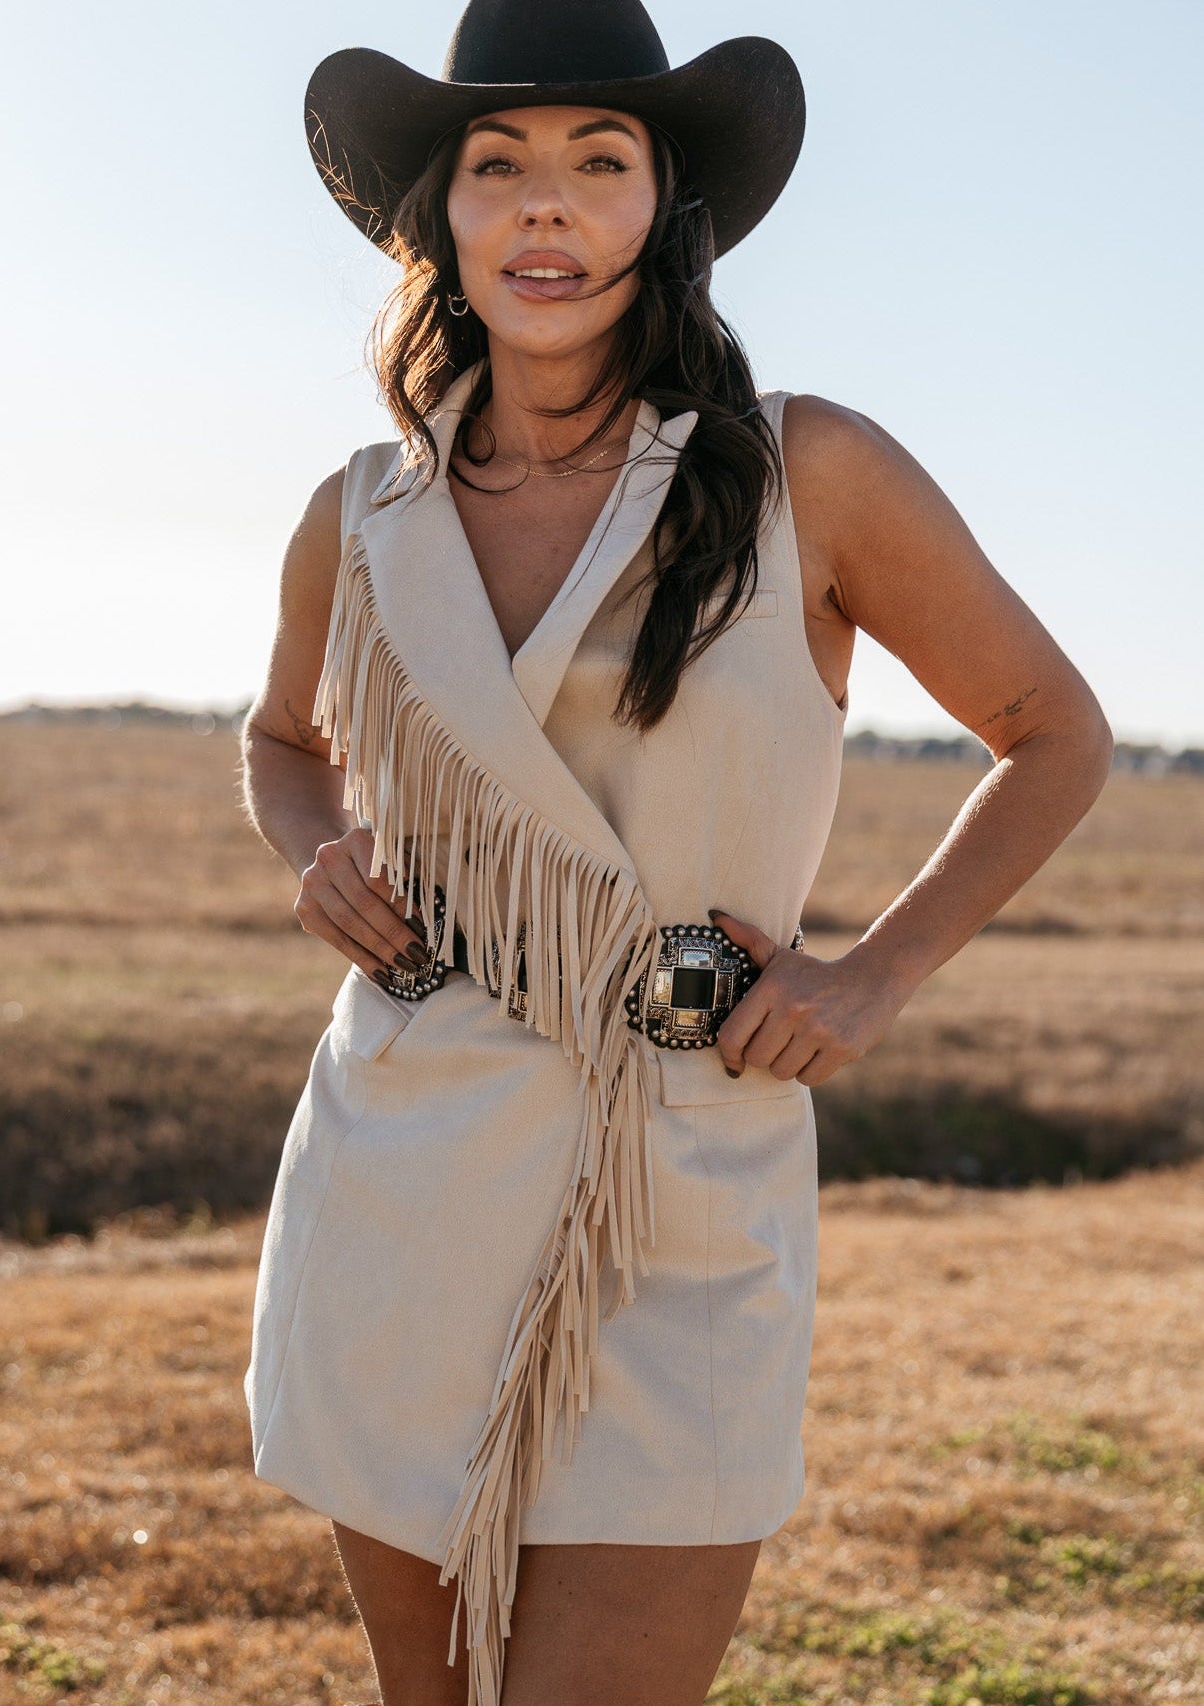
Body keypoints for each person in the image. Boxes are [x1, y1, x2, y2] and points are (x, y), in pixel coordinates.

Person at [241, 3, 1114, 1704]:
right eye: (496, 166)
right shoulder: (360, 514)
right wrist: (316, 850)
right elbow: (281, 742)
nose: (543, 207)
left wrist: (869, 975)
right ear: (443, 217)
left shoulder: (809, 471)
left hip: (682, 1181)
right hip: (397, 1179)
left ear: (665, 211)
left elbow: (1053, 730)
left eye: (596, 162)